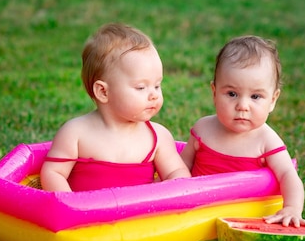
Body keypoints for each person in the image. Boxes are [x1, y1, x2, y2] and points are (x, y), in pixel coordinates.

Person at [40, 23, 191, 192]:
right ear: (103, 91)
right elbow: (53, 173)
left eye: (157, 85)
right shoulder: (75, 133)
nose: (154, 95)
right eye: (141, 87)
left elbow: (177, 172)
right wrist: (71, 205)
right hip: (88, 215)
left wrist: (168, 188)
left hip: (140, 216)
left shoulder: (158, 137)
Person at [180, 35, 305, 227]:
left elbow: (288, 175)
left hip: (244, 217)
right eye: (232, 94)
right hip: (197, 211)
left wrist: (292, 208)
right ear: (214, 93)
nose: (242, 106)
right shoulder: (203, 129)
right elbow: (181, 167)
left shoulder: (266, 141)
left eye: (256, 96)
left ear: (273, 100)